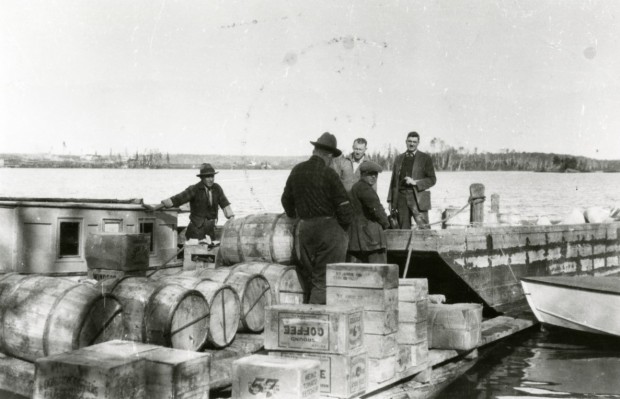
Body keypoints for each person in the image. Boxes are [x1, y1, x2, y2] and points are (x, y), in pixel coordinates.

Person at [281, 132, 353, 304]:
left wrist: (294, 215)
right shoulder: (329, 174)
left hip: (304, 232)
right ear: (328, 155)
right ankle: (317, 320)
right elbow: (345, 209)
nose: (332, 161)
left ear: (315, 150)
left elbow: (286, 200)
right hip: (328, 232)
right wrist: (342, 228)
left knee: (312, 278)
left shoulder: (297, 170)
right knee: (324, 281)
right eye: (332, 159)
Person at [151, 163, 235, 241]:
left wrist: (231, 218)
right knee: (197, 253)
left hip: (210, 229)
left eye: (212, 176)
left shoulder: (217, 189)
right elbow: (177, 199)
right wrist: (157, 207)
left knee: (210, 252)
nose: (211, 179)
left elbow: (225, 204)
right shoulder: (194, 189)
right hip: (196, 230)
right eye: (207, 177)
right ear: (202, 178)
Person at [387, 131, 437, 229]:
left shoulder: (425, 158)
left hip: (418, 197)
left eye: (414, 142)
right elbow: (393, 181)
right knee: (403, 228)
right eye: (409, 141)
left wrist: (416, 182)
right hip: (401, 197)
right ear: (406, 142)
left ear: (418, 143)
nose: (412, 144)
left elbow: (432, 179)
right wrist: (390, 200)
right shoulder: (399, 158)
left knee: (424, 228)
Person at [348, 161, 390, 263]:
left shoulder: (356, 187)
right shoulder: (366, 189)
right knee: (379, 271)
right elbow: (376, 209)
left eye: (375, 174)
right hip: (371, 240)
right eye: (370, 174)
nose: (374, 177)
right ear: (362, 175)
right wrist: (387, 224)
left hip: (356, 240)